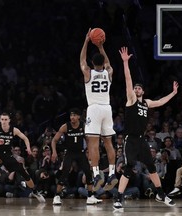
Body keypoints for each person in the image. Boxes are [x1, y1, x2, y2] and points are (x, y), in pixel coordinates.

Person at [113, 47, 178, 210]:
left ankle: (161, 194)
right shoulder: (131, 99)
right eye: (135, 88)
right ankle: (119, 198)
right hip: (130, 139)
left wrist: (173, 93)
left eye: (139, 88)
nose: (136, 89)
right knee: (129, 168)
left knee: (152, 167)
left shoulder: (146, 102)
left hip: (141, 140)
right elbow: (128, 80)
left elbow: (161, 102)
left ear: (143, 91)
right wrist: (125, 62)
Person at [80, 28, 117, 192]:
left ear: (93, 63)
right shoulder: (109, 72)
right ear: (103, 63)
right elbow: (108, 63)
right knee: (108, 143)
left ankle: (96, 174)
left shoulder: (88, 72)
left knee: (93, 144)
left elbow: (82, 61)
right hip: (107, 108)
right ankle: (113, 173)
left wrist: (87, 41)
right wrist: (101, 46)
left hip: (94, 109)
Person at [0, 112, 45, 203]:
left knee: (23, 172)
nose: (4, 121)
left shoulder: (14, 130)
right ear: (0, 120)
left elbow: (25, 138)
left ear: (9, 120)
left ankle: (35, 191)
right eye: (2, 119)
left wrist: (28, 148)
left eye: (6, 119)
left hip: (9, 156)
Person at [51, 108, 102, 205]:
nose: (72, 117)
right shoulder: (65, 126)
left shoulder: (83, 126)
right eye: (71, 115)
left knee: (87, 171)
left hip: (81, 153)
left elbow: (88, 140)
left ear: (78, 117)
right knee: (65, 172)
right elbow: (54, 140)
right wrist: (54, 152)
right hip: (70, 153)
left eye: (74, 115)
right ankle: (56, 196)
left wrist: (90, 152)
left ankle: (90, 196)